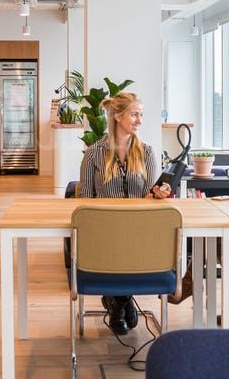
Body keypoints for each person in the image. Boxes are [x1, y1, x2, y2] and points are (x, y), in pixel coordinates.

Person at [78, 92, 171, 335]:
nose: (140, 120)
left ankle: (116, 300)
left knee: (132, 244)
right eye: (134, 114)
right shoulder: (94, 153)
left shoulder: (147, 152)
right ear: (118, 116)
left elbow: (150, 195)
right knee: (117, 246)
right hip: (105, 230)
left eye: (141, 115)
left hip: (137, 230)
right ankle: (123, 300)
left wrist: (159, 194)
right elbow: (84, 199)